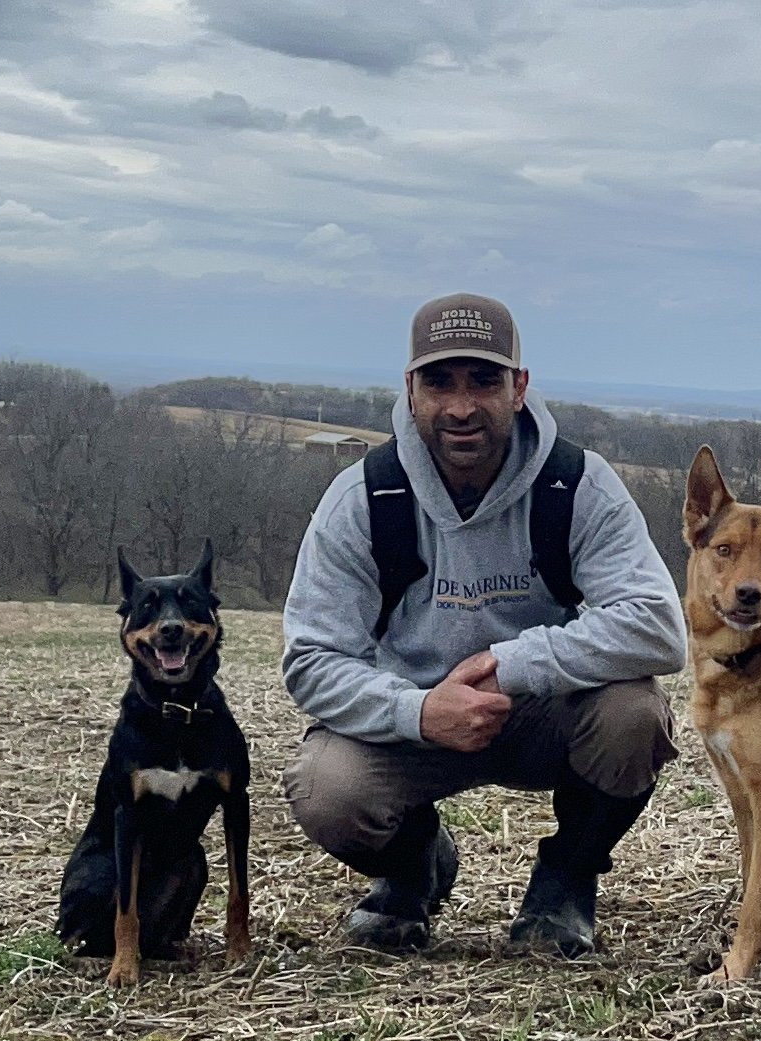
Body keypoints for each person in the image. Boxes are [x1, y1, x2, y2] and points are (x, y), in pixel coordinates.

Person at [281, 292, 687, 957]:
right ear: (410, 390)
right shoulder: (362, 497)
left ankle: (564, 883)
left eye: (484, 380)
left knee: (633, 715)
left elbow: (657, 627)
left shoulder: (578, 484)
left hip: (539, 715)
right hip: (412, 723)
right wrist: (419, 711)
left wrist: (513, 666)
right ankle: (415, 865)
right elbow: (311, 662)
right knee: (327, 788)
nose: (461, 406)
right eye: (439, 382)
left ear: (519, 387)